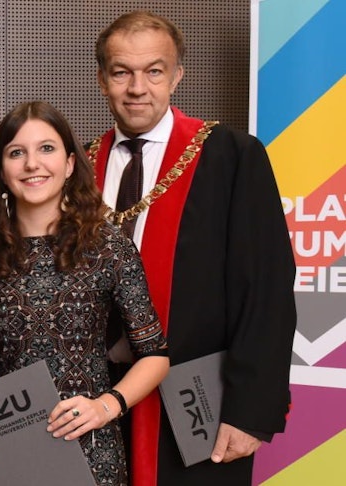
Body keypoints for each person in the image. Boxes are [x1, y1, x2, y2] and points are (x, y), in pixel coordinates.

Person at [88, 11, 297, 485]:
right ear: (103, 81)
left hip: (200, 402)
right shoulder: (79, 166)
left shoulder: (231, 157)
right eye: (122, 72)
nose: (138, 87)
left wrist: (250, 411)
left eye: (154, 71)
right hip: (97, 405)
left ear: (177, 75)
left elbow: (265, 290)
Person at [0, 101, 169, 485]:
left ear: (69, 164)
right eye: (17, 152)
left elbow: (155, 355)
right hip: (4, 454)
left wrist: (106, 406)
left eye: (46, 148)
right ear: (2, 171)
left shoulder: (107, 247)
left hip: (89, 448)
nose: (32, 163)